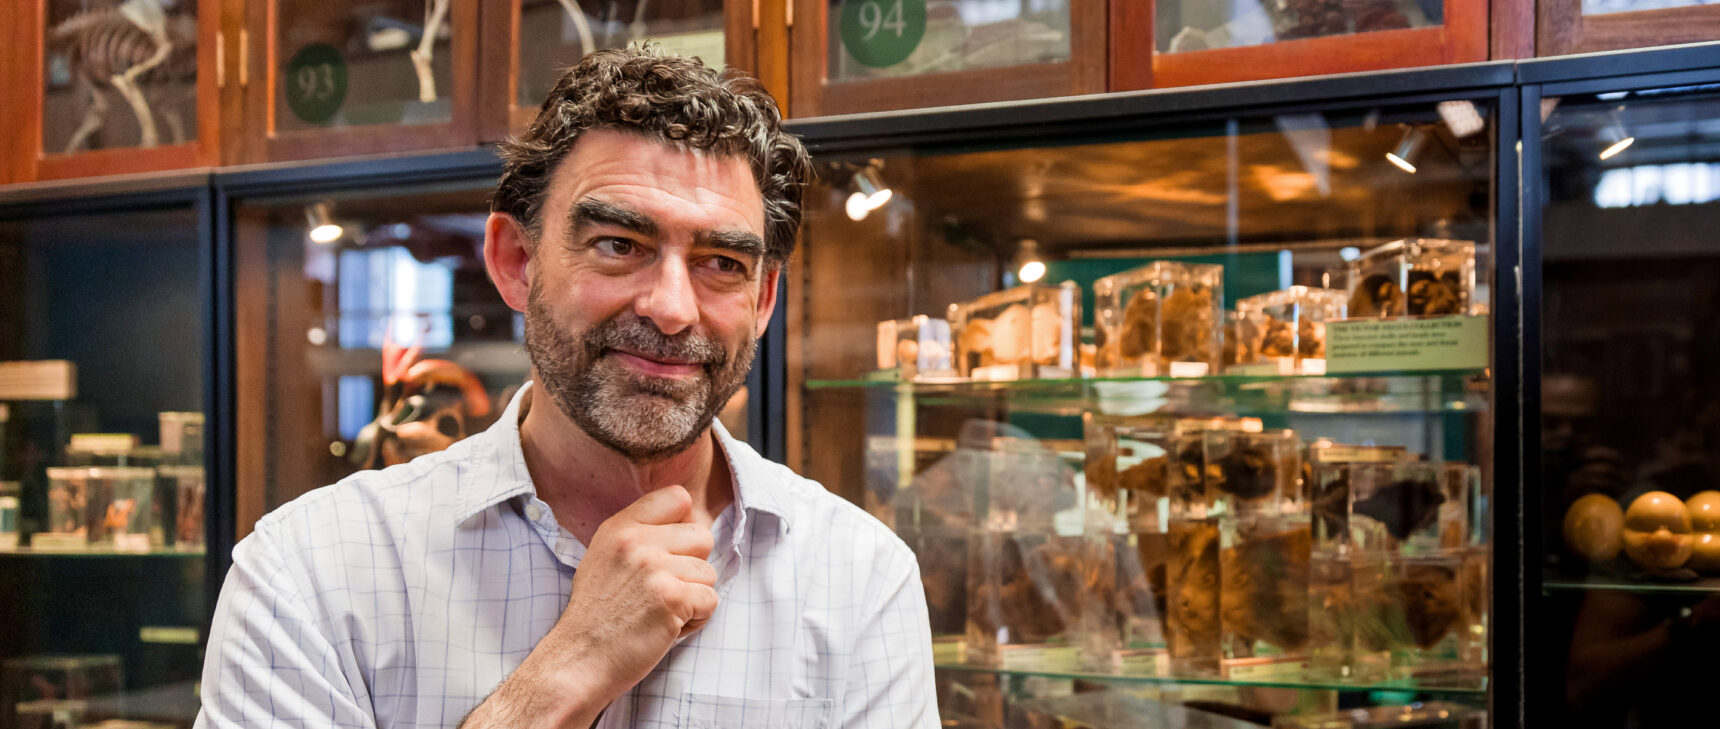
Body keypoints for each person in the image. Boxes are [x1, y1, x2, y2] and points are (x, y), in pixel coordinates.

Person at [195, 46, 936, 729]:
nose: (673, 309)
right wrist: (566, 670)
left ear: (764, 299)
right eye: (620, 245)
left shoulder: (860, 579)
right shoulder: (310, 573)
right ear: (516, 260)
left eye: (721, 263)